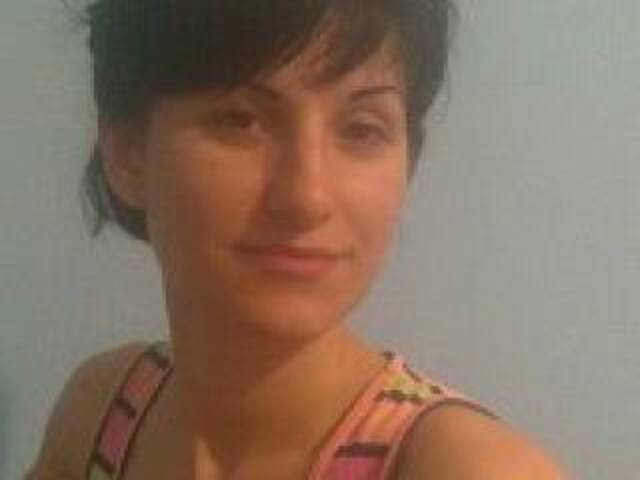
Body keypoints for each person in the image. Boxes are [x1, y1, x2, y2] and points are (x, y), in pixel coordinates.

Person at [28, 1, 570, 479]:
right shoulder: (103, 415)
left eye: (361, 129)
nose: (307, 198)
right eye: (241, 120)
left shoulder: (464, 469)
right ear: (128, 153)